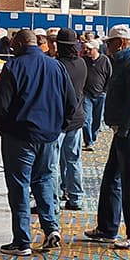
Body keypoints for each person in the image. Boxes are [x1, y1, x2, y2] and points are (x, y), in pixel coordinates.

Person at [0, 29, 77, 256]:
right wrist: (59, 127)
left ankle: (22, 241)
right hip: (48, 136)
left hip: (19, 137)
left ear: (19, 44)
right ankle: (51, 229)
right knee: (45, 181)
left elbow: (0, 106)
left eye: (13, 45)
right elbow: (71, 102)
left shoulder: (13, 67)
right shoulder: (56, 66)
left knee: (19, 186)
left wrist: (4, 130)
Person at [84, 24, 130, 250]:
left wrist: (124, 128)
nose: (107, 47)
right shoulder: (122, 63)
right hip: (123, 130)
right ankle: (107, 227)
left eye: (110, 43)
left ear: (122, 43)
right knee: (111, 179)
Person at [55, 28, 87, 211]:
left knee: (53, 162)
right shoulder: (82, 64)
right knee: (73, 159)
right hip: (76, 118)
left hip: (58, 119)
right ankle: (76, 198)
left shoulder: (57, 65)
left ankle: (54, 197)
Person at [82, 39, 112, 151]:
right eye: (86, 49)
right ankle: (88, 141)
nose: (87, 51)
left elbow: (109, 76)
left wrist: (105, 90)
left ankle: (93, 138)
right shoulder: (84, 60)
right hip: (86, 95)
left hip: (100, 95)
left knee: (97, 120)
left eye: (90, 49)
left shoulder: (105, 60)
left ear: (96, 49)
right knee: (86, 119)